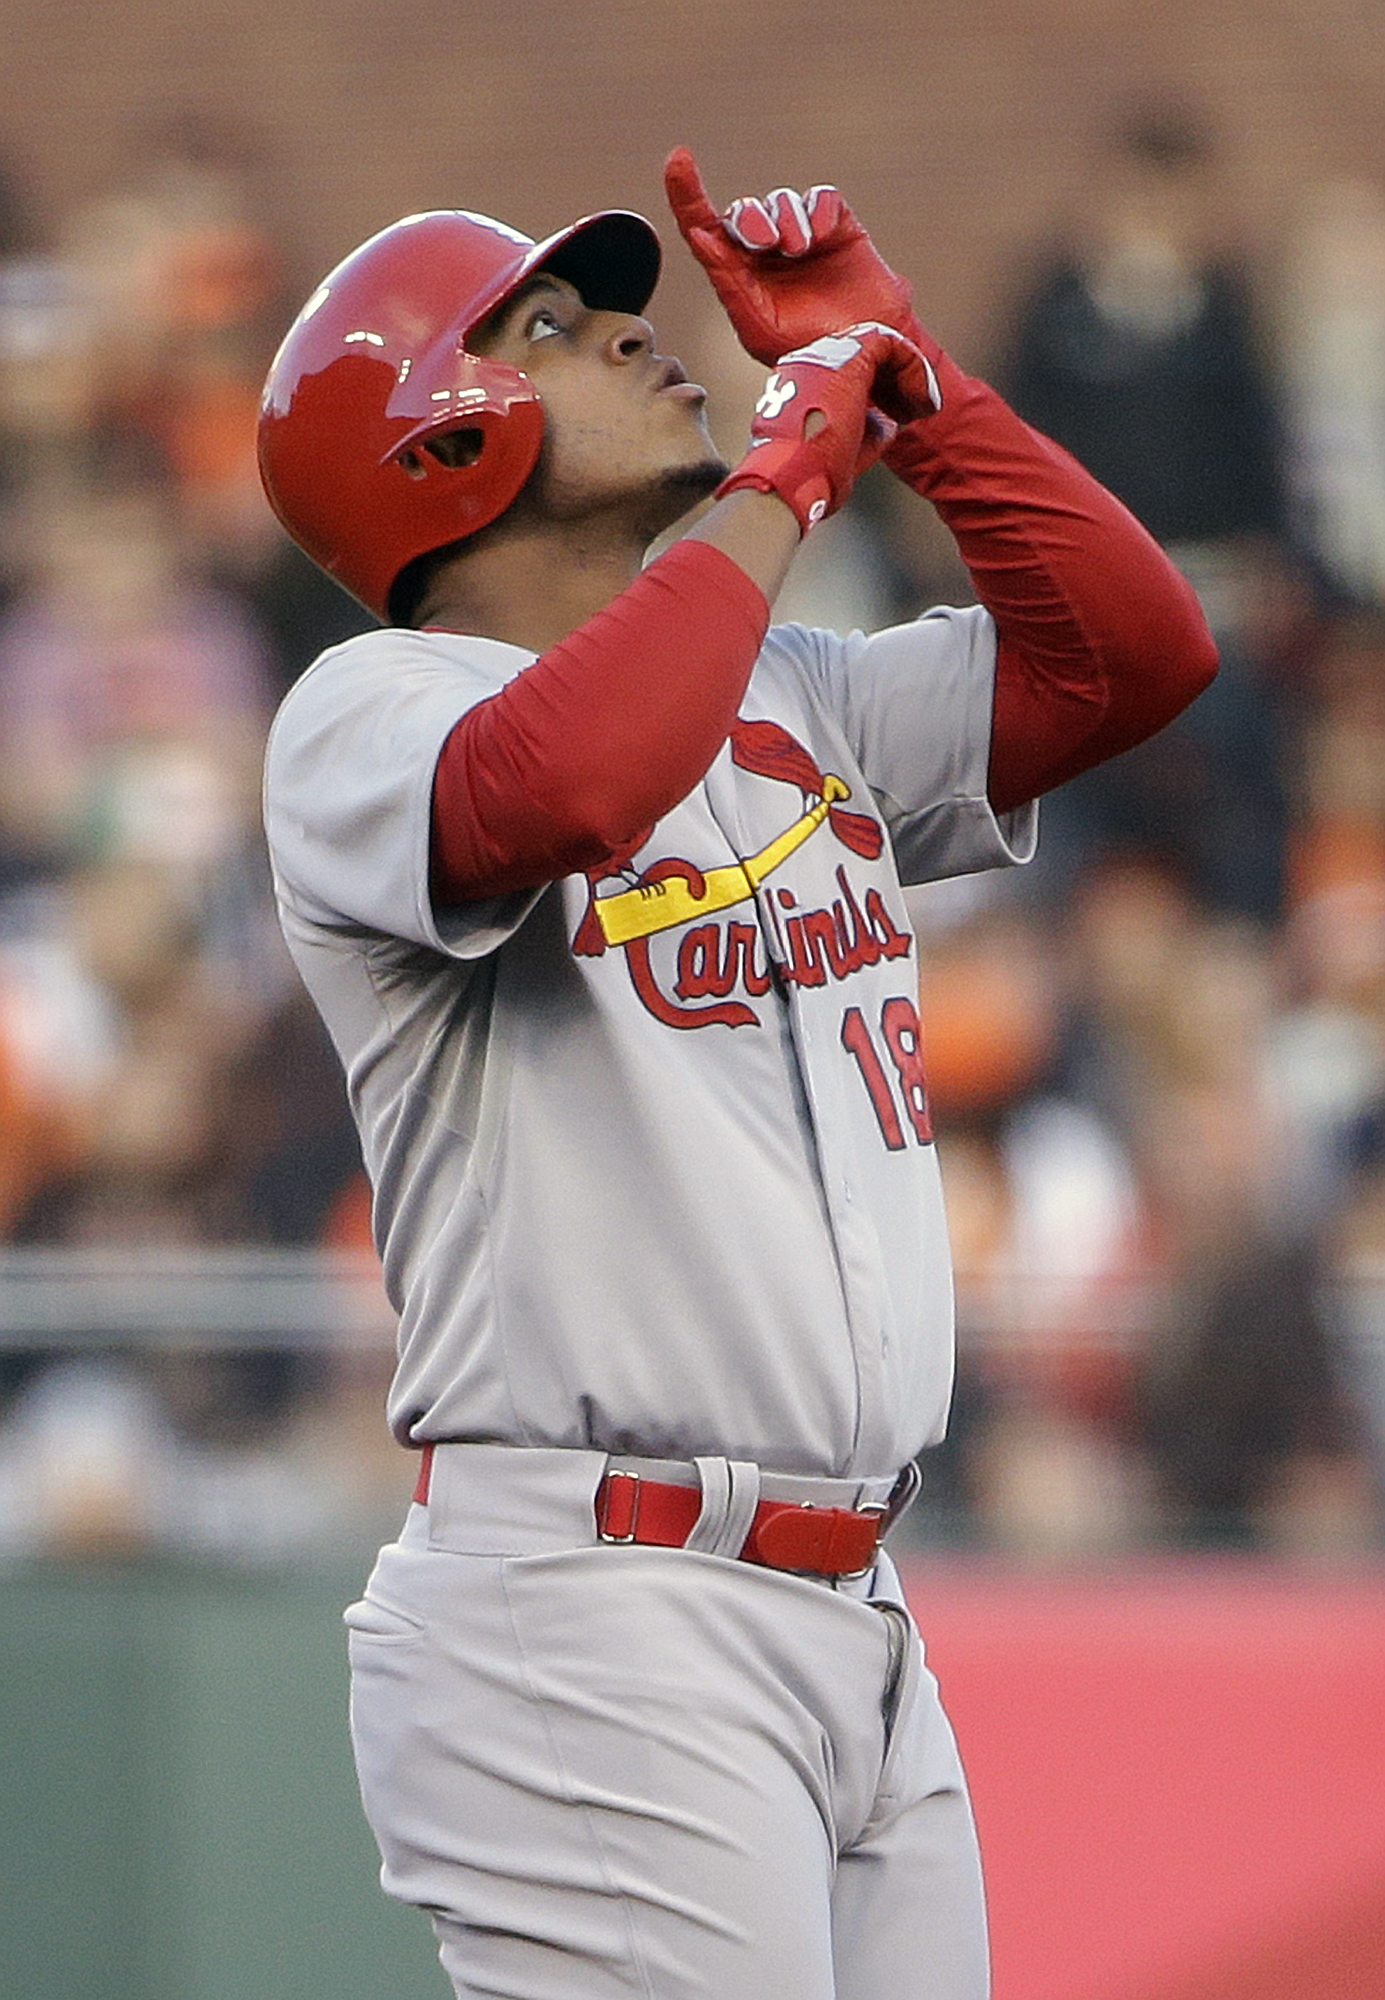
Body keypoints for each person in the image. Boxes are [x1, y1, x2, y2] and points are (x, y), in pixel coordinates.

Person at [257, 149, 1216, 2000]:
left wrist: (915, 382)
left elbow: (1132, 658)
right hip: (596, 1603)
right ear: (436, 440)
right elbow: (565, 785)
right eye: (557, 330)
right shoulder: (365, 717)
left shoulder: (795, 694)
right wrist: (786, 467)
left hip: (851, 1611)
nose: (640, 334)